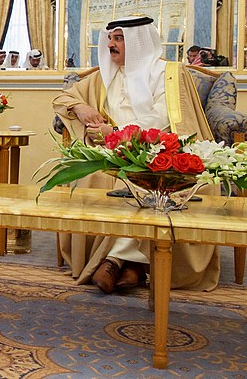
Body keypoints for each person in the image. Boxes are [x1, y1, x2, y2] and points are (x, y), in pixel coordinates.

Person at [53, 15, 219, 294]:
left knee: (143, 182)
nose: (111, 45)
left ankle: (114, 261)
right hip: (113, 153)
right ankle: (134, 266)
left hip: (158, 148)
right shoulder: (103, 77)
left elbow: (164, 119)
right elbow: (62, 98)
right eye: (110, 39)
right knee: (94, 176)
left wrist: (114, 131)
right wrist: (81, 109)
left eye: (119, 39)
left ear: (138, 42)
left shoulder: (169, 74)